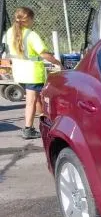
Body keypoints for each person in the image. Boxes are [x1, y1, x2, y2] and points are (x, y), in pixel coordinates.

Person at [2, 7, 62, 139]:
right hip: (32, 74)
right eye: (32, 19)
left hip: (19, 72)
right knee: (31, 101)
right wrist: (57, 62)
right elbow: (44, 54)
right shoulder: (31, 35)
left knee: (36, 99)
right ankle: (28, 129)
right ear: (28, 19)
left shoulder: (10, 32)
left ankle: (45, 121)